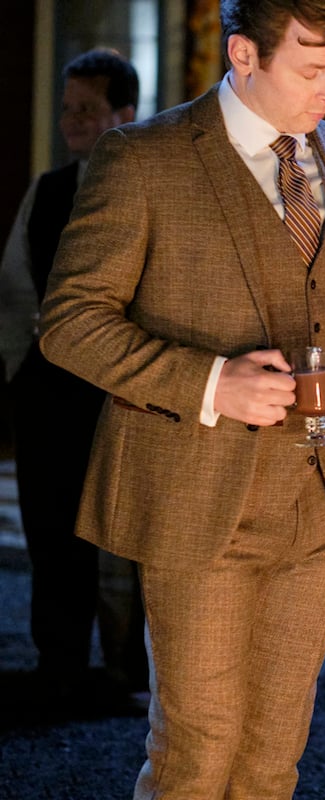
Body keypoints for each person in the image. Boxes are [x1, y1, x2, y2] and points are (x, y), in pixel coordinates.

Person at [37, 1, 325, 797]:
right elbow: (69, 323)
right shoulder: (142, 158)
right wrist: (213, 382)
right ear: (244, 53)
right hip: (200, 499)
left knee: (274, 754)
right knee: (197, 751)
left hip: (321, 504)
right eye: (312, 71)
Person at [0, 48, 149, 718]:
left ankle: (124, 671)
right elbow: (14, 287)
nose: (71, 123)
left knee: (121, 543)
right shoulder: (48, 188)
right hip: (48, 392)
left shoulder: (149, 183)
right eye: (67, 109)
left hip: (122, 394)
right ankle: (59, 664)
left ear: (125, 112)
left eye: (85, 110)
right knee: (49, 530)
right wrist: (19, 370)